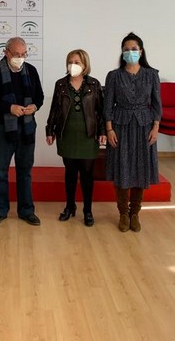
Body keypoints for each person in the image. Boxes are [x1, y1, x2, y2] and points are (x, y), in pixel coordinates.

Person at [0, 37, 44, 226]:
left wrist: (34, 106)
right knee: (1, 171)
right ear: (6, 53)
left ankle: (26, 211)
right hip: (3, 129)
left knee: (25, 171)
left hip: (27, 128)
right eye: (16, 54)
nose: (20, 58)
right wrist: (9, 108)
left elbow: (39, 97)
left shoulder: (31, 70)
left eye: (24, 54)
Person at [103, 32, 161, 233]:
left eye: (134, 49)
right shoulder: (114, 76)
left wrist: (156, 127)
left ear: (141, 51)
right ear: (122, 52)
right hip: (120, 126)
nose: (130, 52)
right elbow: (107, 105)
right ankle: (123, 213)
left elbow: (157, 104)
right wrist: (109, 129)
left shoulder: (151, 74)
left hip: (145, 126)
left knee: (140, 169)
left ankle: (135, 213)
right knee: (122, 168)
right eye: (126, 49)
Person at [46, 49, 106, 227]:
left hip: (88, 136)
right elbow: (54, 109)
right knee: (70, 173)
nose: (73, 65)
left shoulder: (94, 84)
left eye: (77, 62)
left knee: (87, 174)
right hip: (67, 135)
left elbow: (101, 111)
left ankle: (88, 211)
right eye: (70, 61)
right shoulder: (61, 84)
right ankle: (70, 206)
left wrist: (103, 131)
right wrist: (49, 130)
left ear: (85, 64)